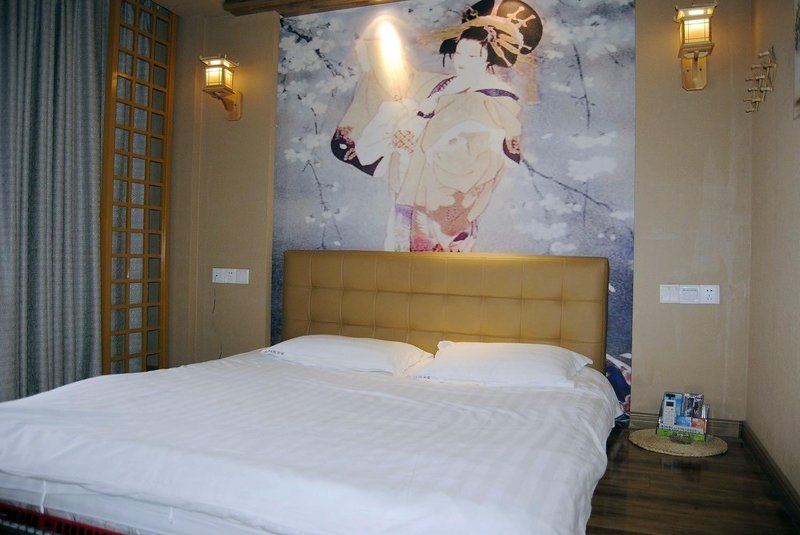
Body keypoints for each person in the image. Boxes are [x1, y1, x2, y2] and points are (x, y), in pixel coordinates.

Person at [332, 0, 542, 251]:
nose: (461, 60)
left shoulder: (494, 101)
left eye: (472, 55)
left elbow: (471, 162)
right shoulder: (443, 84)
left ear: (490, 58)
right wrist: (377, 50)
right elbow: (402, 82)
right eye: (459, 52)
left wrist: (415, 134)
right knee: (398, 259)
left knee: (430, 262)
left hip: (443, 202)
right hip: (410, 189)